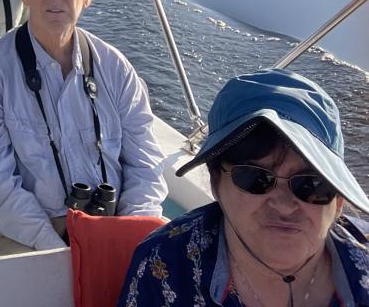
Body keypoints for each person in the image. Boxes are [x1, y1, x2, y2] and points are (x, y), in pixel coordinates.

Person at [0, 0, 168, 253]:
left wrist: (131, 232)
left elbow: (145, 164)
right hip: (30, 232)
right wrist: (53, 246)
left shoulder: (116, 67)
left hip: (115, 221)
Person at [118, 68, 369, 307]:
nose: (284, 205)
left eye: (311, 184)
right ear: (216, 183)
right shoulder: (165, 265)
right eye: (255, 177)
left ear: (338, 200)